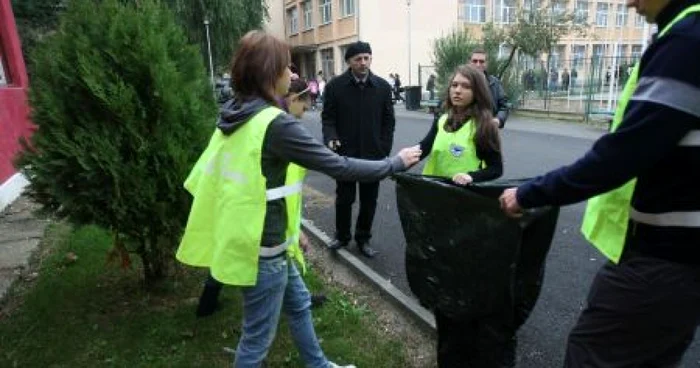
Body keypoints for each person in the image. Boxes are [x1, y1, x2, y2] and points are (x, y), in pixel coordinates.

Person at [177, 31, 422, 368]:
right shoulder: (274, 123)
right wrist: (394, 163)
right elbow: (338, 165)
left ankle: (318, 365)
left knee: (299, 304)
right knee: (255, 341)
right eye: (286, 67)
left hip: (255, 238)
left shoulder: (236, 111)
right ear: (268, 72)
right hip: (265, 249)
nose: (292, 76)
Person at [499, 0, 700, 366]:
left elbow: (624, 152)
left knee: (591, 356)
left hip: (665, 259)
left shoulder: (687, 40)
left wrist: (531, 193)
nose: (627, 2)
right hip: (671, 258)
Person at [194, 78, 328, 319]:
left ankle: (208, 302)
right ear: (294, 98)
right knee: (239, 257)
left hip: (234, 202)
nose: (302, 116)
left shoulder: (248, 114)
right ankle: (209, 302)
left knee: (230, 251)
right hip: (250, 210)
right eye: (304, 109)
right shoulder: (273, 125)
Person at [416, 64, 504, 367]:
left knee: (464, 273)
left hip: (467, 213)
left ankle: (467, 330)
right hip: (437, 209)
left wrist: (471, 177)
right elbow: (423, 149)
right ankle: (447, 322)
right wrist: (394, 163)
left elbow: (496, 169)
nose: (457, 90)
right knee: (440, 269)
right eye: (454, 85)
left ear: (476, 91)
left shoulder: (485, 125)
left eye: (465, 86)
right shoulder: (440, 120)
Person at [322, 41, 396, 258]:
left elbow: (388, 121)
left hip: (374, 156)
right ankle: (342, 236)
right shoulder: (335, 87)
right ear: (349, 62)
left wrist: (384, 147)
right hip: (345, 155)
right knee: (344, 198)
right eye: (358, 59)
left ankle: (363, 239)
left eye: (367, 58)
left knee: (369, 200)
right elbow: (328, 118)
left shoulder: (382, 87)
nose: (363, 63)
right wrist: (331, 138)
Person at [469, 49, 509, 129]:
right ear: (469, 62)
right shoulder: (460, 81)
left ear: (486, 64)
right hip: (464, 130)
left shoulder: (495, 83)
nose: (478, 64)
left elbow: (504, 106)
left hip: (487, 130)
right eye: (475, 61)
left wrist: (498, 119)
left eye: (481, 61)